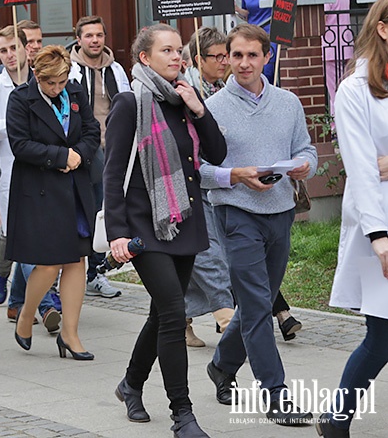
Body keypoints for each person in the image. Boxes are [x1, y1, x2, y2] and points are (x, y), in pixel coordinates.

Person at [104, 25, 227, 436]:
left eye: (180, 50)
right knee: (175, 312)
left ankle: (130, 384)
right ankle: (182, 415)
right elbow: (113, 171)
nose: (178, 57)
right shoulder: (130, 102)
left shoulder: (185, 98)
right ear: (145, 58)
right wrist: (117, 232)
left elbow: (217, 152)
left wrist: (198, 108)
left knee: (162, 313)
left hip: (184, 220)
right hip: (145, 224)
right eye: (167, 50)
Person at [200, 24, 317, 426]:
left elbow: (306, 150)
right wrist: (235, 175)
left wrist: (305, 166)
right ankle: (276, 394)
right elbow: (197, 168)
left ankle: (221, 366)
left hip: (281, 212)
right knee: (253, 304)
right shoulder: (211, 109)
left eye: (253, 55)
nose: (244, 63)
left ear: (266, 57)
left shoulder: (288, 102)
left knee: (261, 305)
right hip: (236, 214)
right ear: (225, 60)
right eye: (236, 56)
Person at [316, 0, 388, 438]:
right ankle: (337, 417)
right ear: (383, 28)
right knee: (382, 335)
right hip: (375, 223)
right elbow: (362, 168)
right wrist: (380, 235)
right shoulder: (355, 89)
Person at [5, 45, 100, 361]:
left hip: (75, 186)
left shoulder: (74, 93)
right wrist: (60, 156)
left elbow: (92, 130)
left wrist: (79, 156)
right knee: (49, 262)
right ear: (37, 75)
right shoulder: (21, 99)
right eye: (51, 83)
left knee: (76, 260)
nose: (57, 88)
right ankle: (25, 313)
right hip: (40, 189)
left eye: (61, 82)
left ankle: (70, 334)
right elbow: (20, 145)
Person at [0, 26, 58, 330]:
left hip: (45, 168)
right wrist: (14, 121)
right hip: (11, 171)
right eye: (3, 51)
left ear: (27, 48)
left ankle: (17, 300)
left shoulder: (43, 82)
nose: (10, 55)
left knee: (42, 234)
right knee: (21, 236)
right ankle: (46, 301)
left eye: (15, 48)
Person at [69, 15, 131, 299]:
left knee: (108, 211)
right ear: (78, 39)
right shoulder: (71, 69)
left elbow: (127, 102)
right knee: (91, 210)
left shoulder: (116, 69)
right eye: (89, 36)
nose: (95, 40)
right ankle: (86, 271)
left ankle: (97, 272)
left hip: (115, 148)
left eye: (99, 35)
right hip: (85, 151)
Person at [182, 27, 235, 347]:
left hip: (224, 182)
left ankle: (179, 321)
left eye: (225, 55)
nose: (224, 62)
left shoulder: (223, 87)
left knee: (196, 258)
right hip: (195, 183)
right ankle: (226, 319)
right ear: (199, 58)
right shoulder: (189, 90)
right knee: (208, 254)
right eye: (217, 56)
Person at [313, 0, 352, 112]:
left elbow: (320, 19)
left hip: (330, 47)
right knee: (344, 89)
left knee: (333, 91)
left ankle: (336, 127)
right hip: (345, 45)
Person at [235, 0, 277, 83]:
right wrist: (236, 9)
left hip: (272, 33)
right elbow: (247, 13)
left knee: (270, 69)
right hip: (253, 34)